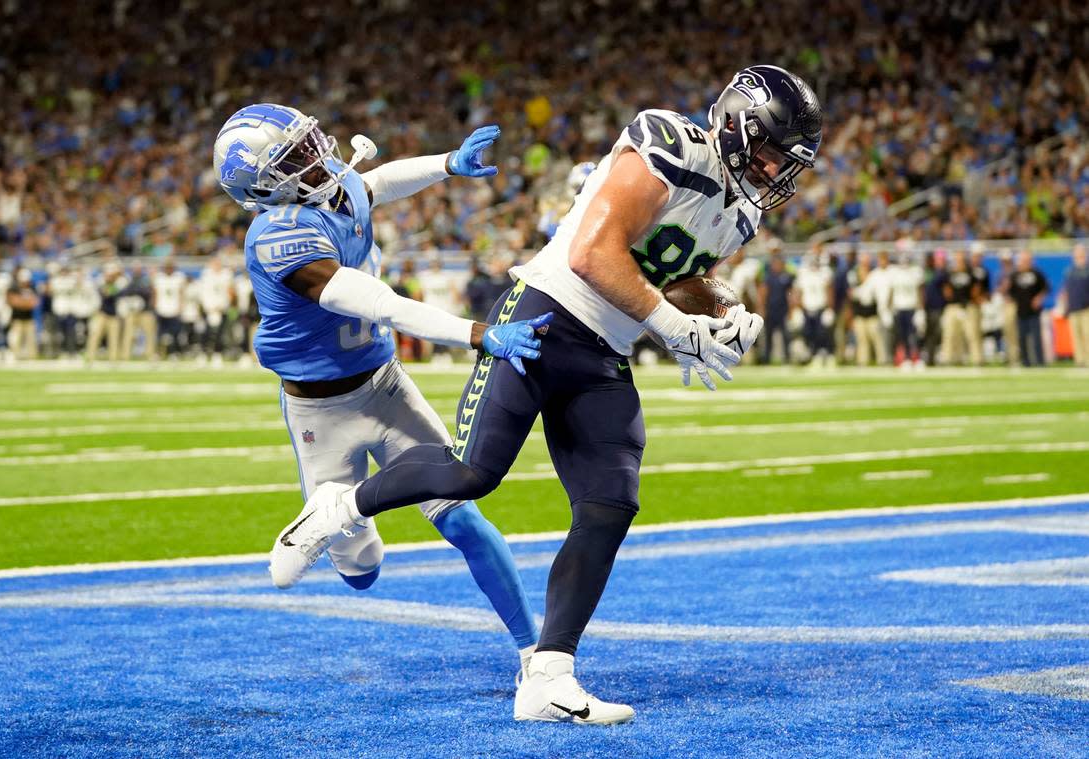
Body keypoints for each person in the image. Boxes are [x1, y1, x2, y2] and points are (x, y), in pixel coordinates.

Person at [268, 65, 816, 724]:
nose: (773, 170)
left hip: (604, 348)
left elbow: (681, 273)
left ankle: (548, 675)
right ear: (736, 124)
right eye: (770, 151)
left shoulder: (743, 209)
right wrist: (675, 330)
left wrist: (725, 311)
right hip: (544, 316)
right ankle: (340, 504)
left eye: (784, 161)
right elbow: (593, 252)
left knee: (611, 500)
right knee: (473, 471)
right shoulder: (670, 142)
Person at [213, 103, 548, 685]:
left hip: (386, 383)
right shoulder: (278, 237)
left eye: (308, 140)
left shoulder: (327, 186)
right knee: (362, 569)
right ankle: (336, 515)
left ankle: (535, 655)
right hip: (321, 410)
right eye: (295, 156)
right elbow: (378, 302)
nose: (318, 156)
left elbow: (373, 183)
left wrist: (448, 163)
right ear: (265, 185)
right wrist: (476, 333)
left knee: (462, 513)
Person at [1005, 251, 1049, 366]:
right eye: (1023, 260)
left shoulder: (1037, 274)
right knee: (1022, 338)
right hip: (1021, 311)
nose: (1025, 262)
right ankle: (1025, 362)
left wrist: (1039, 298)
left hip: (1034, 312)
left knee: (1036, 338)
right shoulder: (1015, 275)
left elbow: (1045, 288)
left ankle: (1039, 361)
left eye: (1027, 260)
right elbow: (1010, 292)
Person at [793, 248, 833, 365]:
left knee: (821, 334)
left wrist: (829, 308)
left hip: (820, 309)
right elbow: (797, 293)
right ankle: (809, 357)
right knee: (807, 334)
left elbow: (829, 291)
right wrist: (796, 309)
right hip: (806, 309)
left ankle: (821, 356)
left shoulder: (825, 273)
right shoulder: (803, 274)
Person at [941, 250, 981, 365]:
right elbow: (946, 289)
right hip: (953, 306)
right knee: (950, 334)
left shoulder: (971, 273)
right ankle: (949, 359)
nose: (959, 262)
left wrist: (972, 300)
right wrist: (951, 298)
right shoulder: (950, 273)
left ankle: (977, 359)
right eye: (957, 259)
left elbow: (976, 289)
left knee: (972, 334)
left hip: (968, 306)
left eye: (961, 259)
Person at [847, 253, 885, 365]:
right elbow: (852, 299)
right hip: (860, 315)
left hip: (872, 314)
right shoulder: (854, 280)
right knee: (862, 340)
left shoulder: (874, 278)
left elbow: (877, 297)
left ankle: (882, 361)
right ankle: (863, 361)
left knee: (877, 339)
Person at [889, 252, 924, 368]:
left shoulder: (915, 273)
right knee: (902, 336)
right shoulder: (895, 274)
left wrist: (920, 309)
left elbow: (920, 291)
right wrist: (889, 308)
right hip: (899, 308)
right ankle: (907, 358)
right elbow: (892, 292)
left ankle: (917, 357)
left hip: (911, 308)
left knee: (914, 335)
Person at [86, 262, 126, 363]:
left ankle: (113, 359)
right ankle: (90, 357)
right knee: (95, 336)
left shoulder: (119, 284)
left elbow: (115, 292)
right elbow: (106, 293)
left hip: (114, 316)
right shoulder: (101, 282)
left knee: (114, 339)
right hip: (101, 314)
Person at [758, 252, 793, 364]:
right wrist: (762, 308)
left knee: (785, 335)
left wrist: (791, 310)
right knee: (768, 335)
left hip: (782, 310)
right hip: (771, 309)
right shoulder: (768, 277)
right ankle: (767, 358)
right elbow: (763, 293)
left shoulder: (786, 277)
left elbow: (790, 294)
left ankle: (787, 357)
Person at [152, 259, 187, 359]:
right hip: (161, 309)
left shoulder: (178, 277)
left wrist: (180, 306)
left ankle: (173, 353)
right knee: (160, 334)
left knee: (175, 334)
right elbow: (155, 293)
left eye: (170, 267)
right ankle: (158, 353)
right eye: (167, 267)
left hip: (174, 310)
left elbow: (181, 292)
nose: (168, 269)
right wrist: (155, 306)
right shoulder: (159, 278)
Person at [1063, 244, 1089, 366]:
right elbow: (1066, 289)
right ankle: (1080, 361)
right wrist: (1065, 305)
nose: (1078, 256)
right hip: (1073, 308)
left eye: (1081, 253)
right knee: (1076, 336)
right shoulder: (1070, 270)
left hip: (1086, 309)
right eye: (1076, 253)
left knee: (1087, 335)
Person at [6, 267, 39, 361]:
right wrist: (25, 303)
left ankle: (31, 358)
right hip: (17, 317)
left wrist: (21, 302)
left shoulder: (32, 287)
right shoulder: (14, 287)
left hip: (29, 317)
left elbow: (34, 302)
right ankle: (14, 356)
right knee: (15, 339)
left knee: (31, 340)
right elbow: (12, 301)